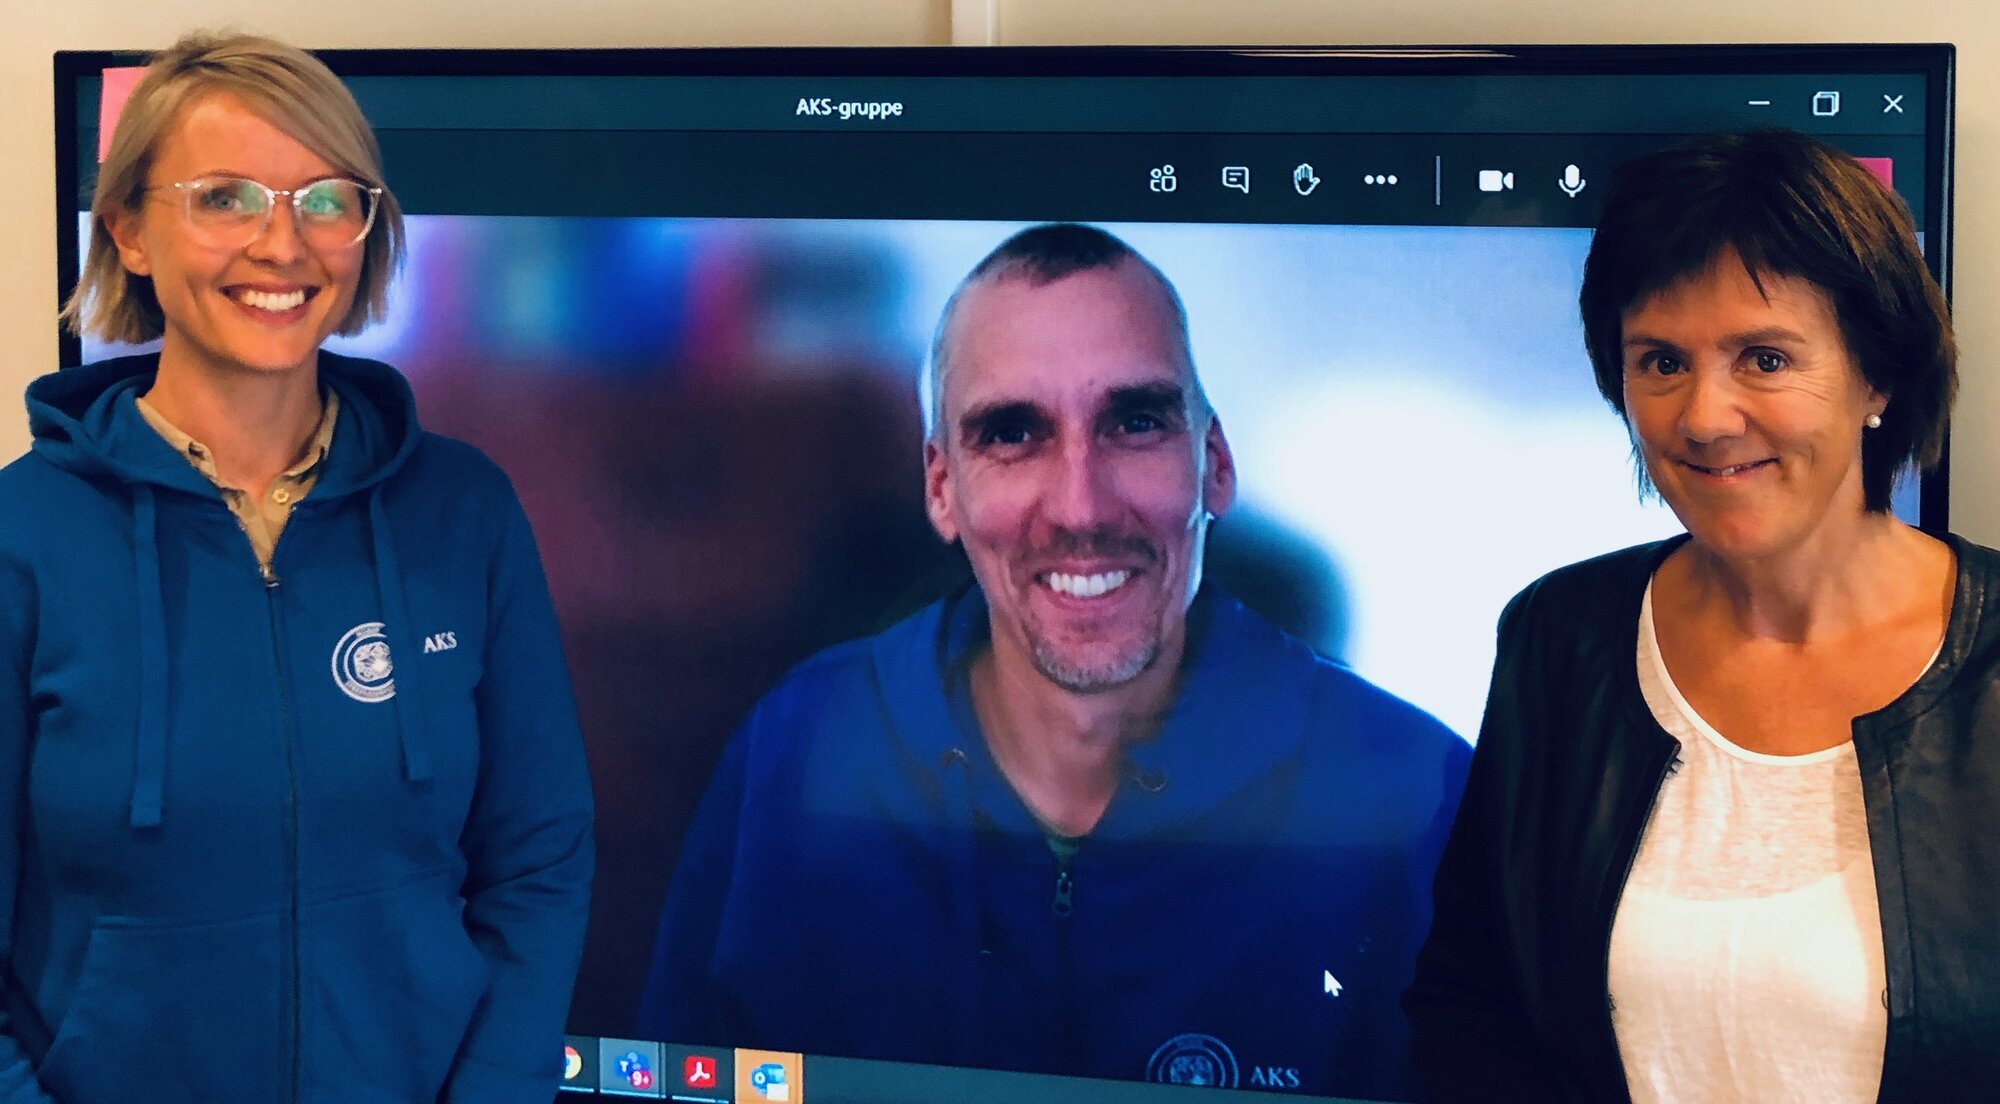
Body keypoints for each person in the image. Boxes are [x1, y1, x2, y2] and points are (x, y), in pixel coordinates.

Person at [639, 223, 1469, 1099]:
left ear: (1214, 465)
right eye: (1012, 434)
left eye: (1135, 422)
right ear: (941, 489)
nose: (1081, 508)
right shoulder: (795, 755)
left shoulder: (1421, 804)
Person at [0, 33, 594, 1104]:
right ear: (128, 228)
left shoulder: (464, 511)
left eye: (326, 200)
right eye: (225, 198)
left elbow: (539, 862)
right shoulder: (22, 537)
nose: (283, 244)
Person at [1405, 129, 1997, 1102]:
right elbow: (1471, 1004)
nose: (1703, 417)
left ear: (1877, 377)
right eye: (1660, 361)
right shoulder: (1562, 636)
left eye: (1763, 358)